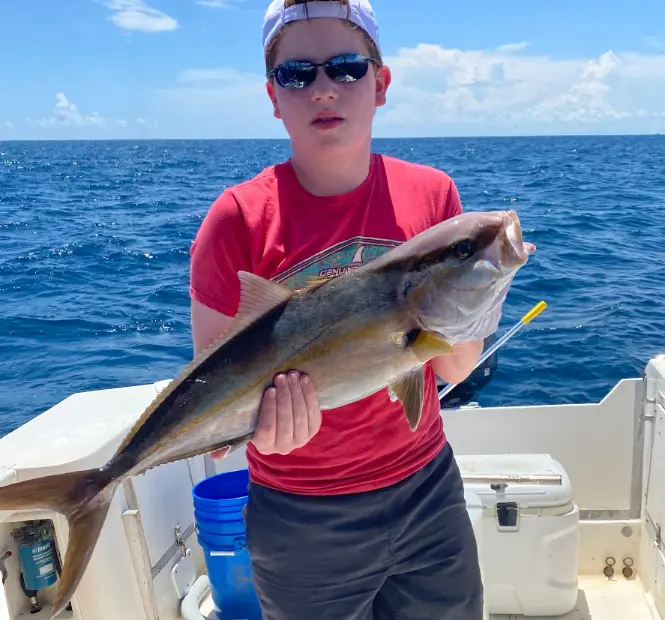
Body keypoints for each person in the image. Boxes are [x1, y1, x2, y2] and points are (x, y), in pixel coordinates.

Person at [189, 1, 508, 618]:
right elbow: (218, 385)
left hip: (427, 492)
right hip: (301, 519)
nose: (324, 89)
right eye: (297, 75)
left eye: (345, 67)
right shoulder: (236, 221)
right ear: (272, 96)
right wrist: (267, 434)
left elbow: (451, 370)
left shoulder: (434, 195)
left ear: (380, 83)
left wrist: (480, 291)